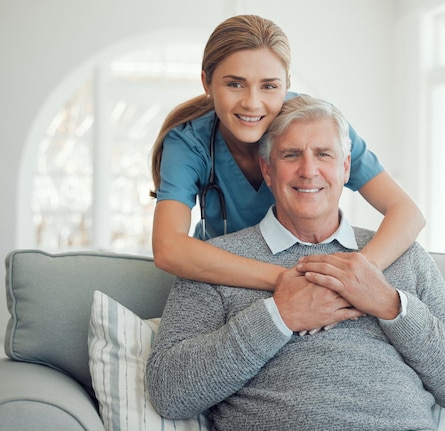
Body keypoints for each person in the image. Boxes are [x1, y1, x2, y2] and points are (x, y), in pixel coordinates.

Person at [146, 95, 445, 430]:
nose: (308, 171)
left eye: (323, 154)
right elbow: (170, 392)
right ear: (267, 169)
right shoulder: (214, 262)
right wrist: (278, 317)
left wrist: (390, 305)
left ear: (345, 167)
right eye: (291, 154)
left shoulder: (405, 257)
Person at [149, 14, 425, 292]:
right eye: (234, 84)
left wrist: (356, 276)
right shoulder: (189, 143)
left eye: (269, 86)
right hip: (227, 282)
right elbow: (168, 248)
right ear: (207, 83)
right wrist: (284, 279)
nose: (252, 103)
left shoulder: (318, 123)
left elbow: (407, 213)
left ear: (287, 83)